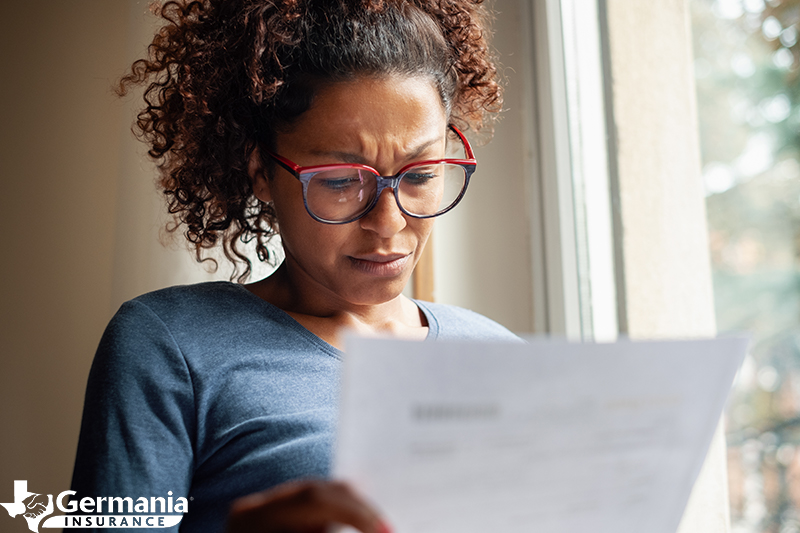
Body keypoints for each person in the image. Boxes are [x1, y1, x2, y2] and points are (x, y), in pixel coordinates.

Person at [69, 0, 515, 531]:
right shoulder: (171, 346)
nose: (389, 222)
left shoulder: (502, 358)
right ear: (261, 172)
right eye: (339, 181)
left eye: (420, 174)